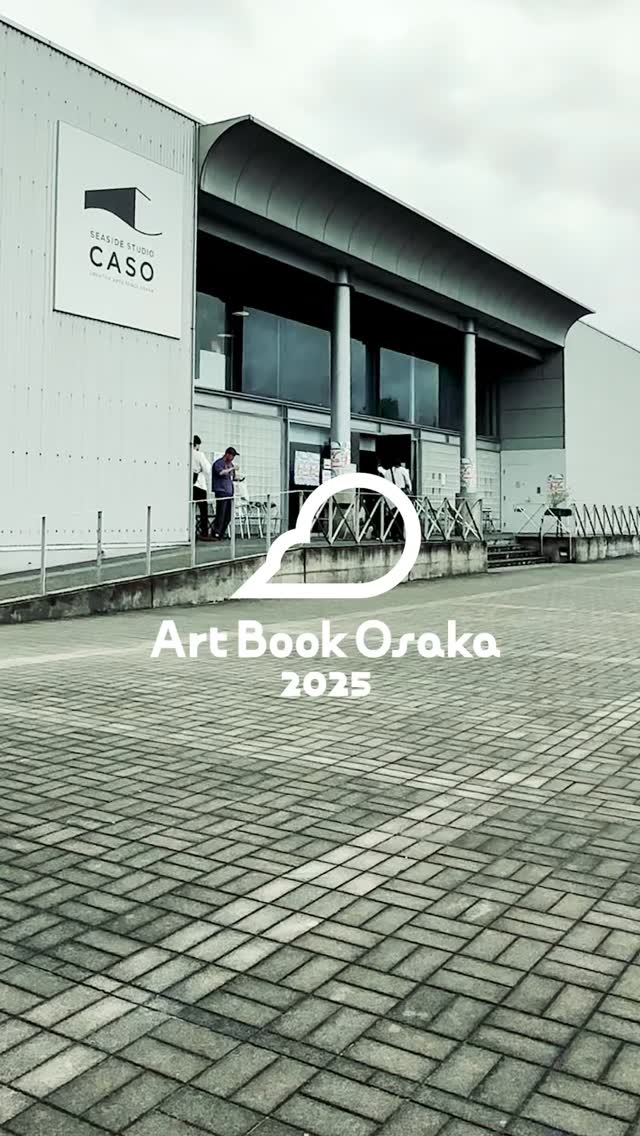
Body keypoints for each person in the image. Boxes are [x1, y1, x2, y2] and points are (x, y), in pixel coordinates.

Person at [211, 446, 243, 539]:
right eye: (232, 456)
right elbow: (221, 472)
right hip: (221, 491)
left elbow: (232, 477)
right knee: (221, 513)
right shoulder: (219, 463)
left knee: (228, 515)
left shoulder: (231, 464)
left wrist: (239, 478)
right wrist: (231, 469)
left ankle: (221, 532)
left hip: (229, 492)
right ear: (227, 454)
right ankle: (216, 532)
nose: (233, 458)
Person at [192, 436, 212, 540]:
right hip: (199, 484)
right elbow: (207, 469)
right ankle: (204, 532)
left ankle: (191, 531)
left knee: (190, 509)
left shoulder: (185, 454)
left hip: (188, 485)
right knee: (203, 509)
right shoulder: (199, 454)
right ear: (197, 445)